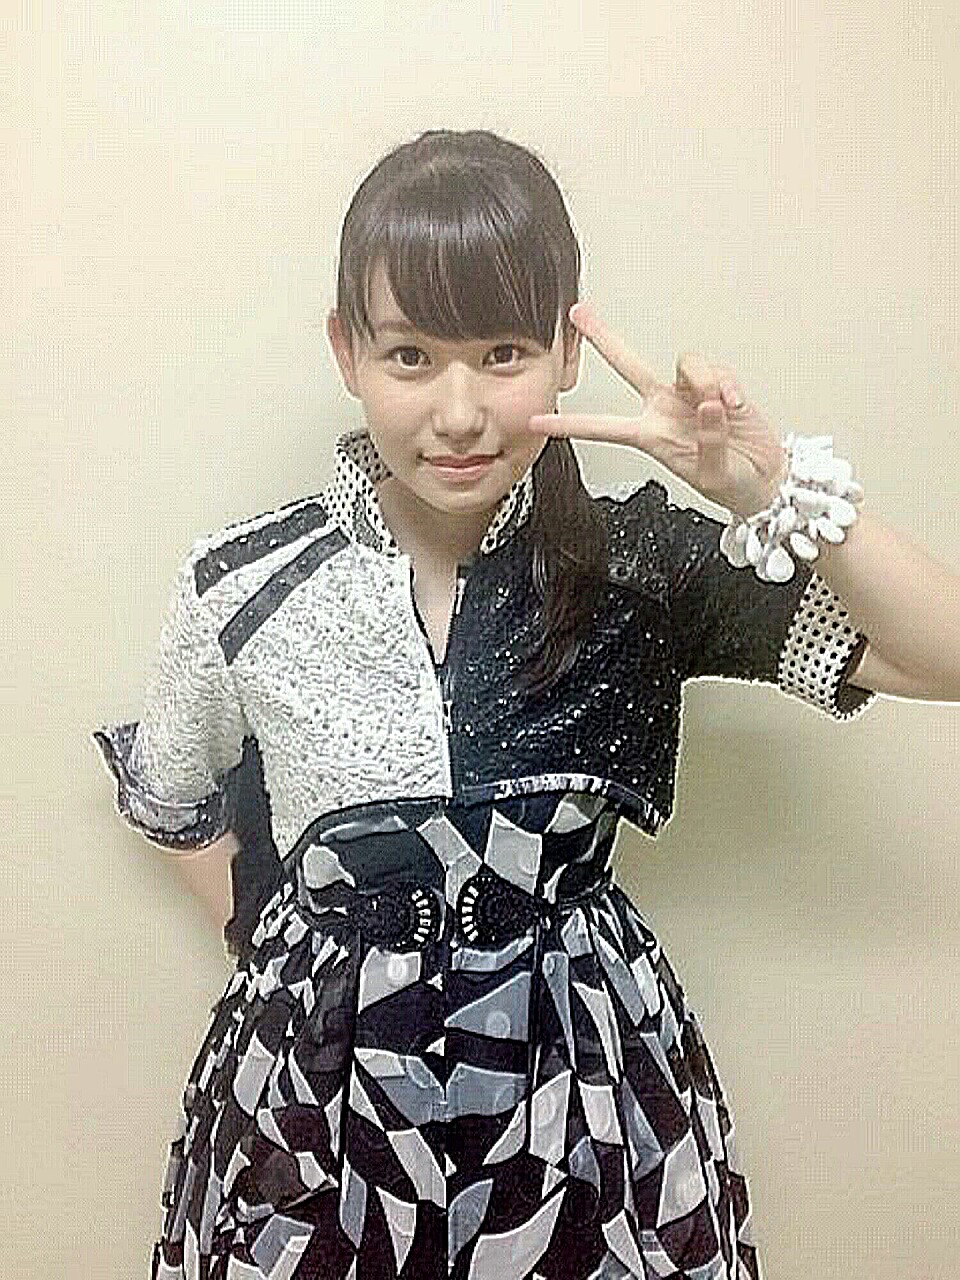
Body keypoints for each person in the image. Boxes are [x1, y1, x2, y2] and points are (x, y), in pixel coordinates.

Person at [90, 128, 956, 1279]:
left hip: (582, 1094)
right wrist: (283, 948)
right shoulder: (244, 583)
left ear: (566, 350)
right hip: (316, 1103)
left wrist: (774, 488)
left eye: (502, 351)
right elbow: (172, 793)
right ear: (347, 350)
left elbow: (941, 654)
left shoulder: (641, 565)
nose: (458, 412)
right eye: (410, 353)